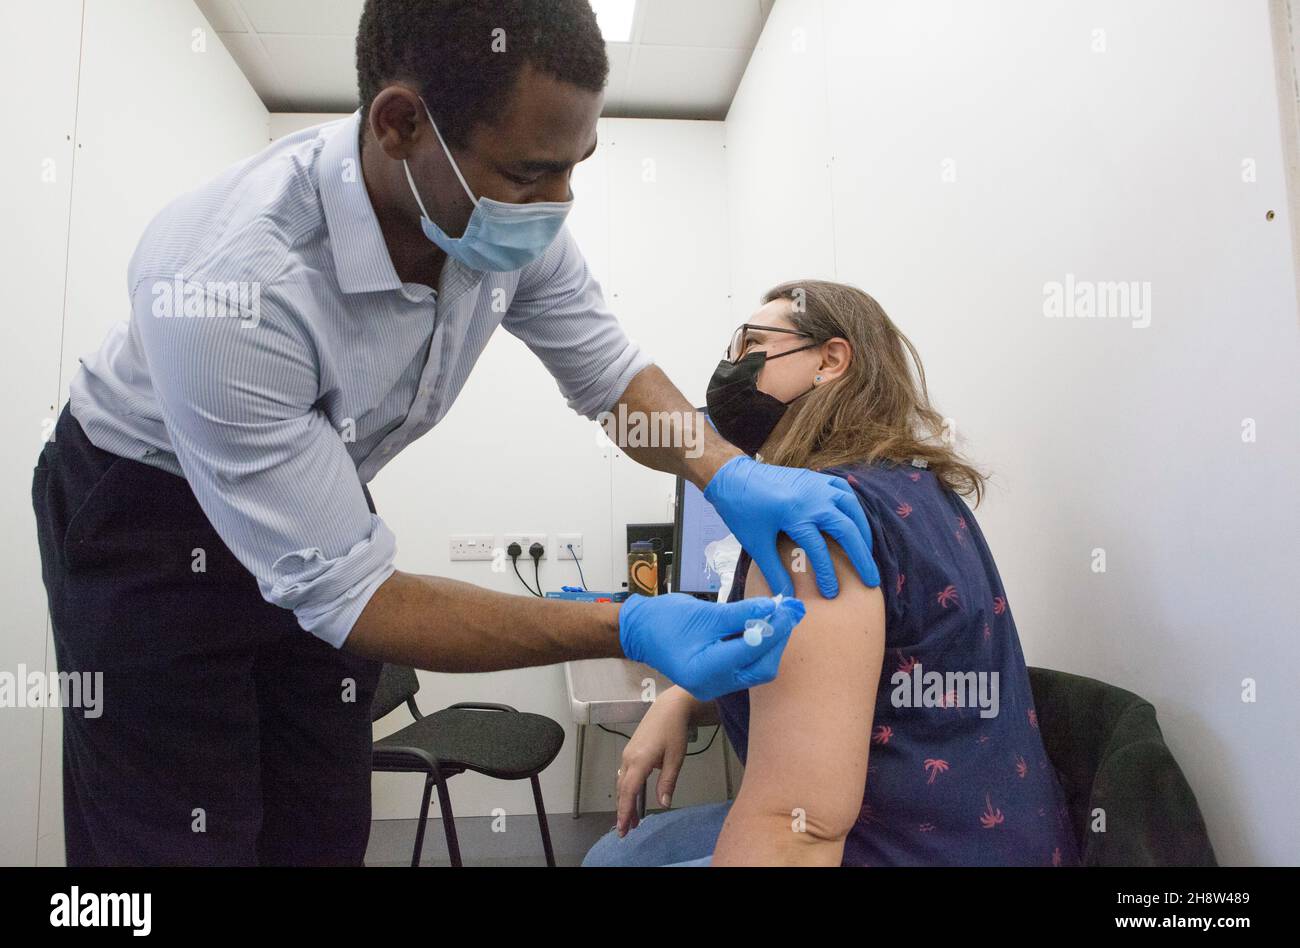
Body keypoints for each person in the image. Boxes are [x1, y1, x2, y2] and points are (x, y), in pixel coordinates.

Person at [30, 2, 881, 866]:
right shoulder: (227, 279)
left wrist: (729, 475)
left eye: (575, 168)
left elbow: (609, 377)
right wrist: (621, 621)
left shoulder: (503, 217)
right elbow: (351, 596)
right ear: (401, 124)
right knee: (173, 836)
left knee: (320, 822)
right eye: (528, 174)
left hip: (314, 482)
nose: (556, 206)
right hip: (147, 512)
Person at [583, 280, 1081, 866]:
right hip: (996, 836)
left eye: (751, 343)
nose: (730, 366)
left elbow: (799, 829)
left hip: (902, 846)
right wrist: (683, 698)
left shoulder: (815, 523)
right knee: (626, 856)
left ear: (831, 359)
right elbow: (862, 682)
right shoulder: (921, 490)